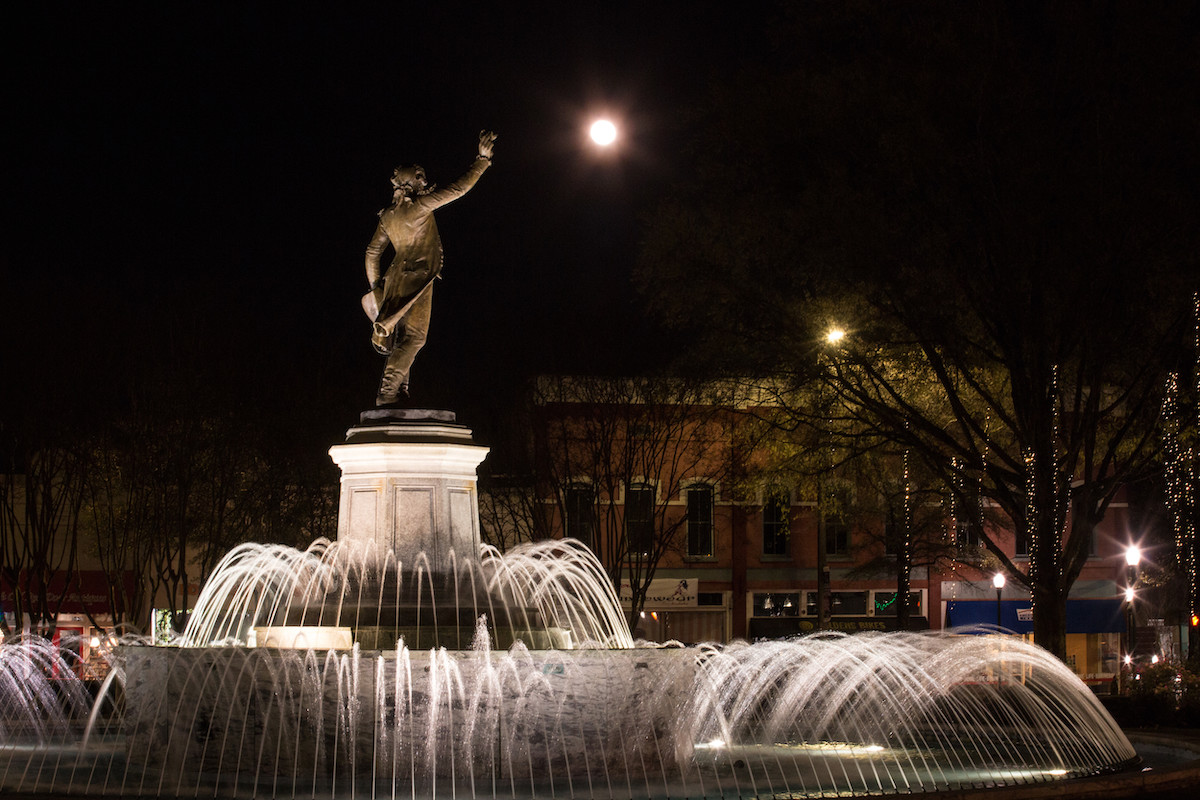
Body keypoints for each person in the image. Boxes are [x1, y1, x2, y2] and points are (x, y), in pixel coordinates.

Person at [363, 130, 497, 406]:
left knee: (401, 338)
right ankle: (388, 391)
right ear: (408, 183)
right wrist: (482, 160)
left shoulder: (389, 216)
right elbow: (459, 188)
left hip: (394, 280)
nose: (424, 180)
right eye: (419, 177)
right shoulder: (420, 206)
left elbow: (373, 252)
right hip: (418, 279)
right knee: (414, 338)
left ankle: (400, 389)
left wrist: (376, 286)